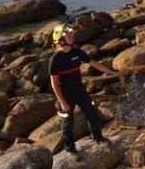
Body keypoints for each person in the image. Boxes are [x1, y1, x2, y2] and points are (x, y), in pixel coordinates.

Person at [49, 23, 120, 154]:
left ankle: (98, 138)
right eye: (68, 35)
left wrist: (113, 73)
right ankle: (70, 149)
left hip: (80, 90)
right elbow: (54, 83)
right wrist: (62, 102)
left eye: (71, 34)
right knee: (68, 122)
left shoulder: (77, 52)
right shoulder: (55, 59)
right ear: (60, 39)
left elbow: (95, 64)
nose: (71, 36)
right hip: (66, 94)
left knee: (91, 114)